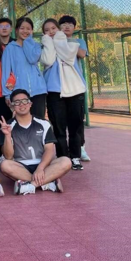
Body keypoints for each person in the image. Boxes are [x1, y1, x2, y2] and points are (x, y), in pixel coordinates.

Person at [0, 89, 71, 195]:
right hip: (21, 166)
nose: (21, 104)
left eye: (24, 101)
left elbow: (49, 150)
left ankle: (30, 185)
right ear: (12, 106)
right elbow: (8, 156)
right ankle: (48, 182)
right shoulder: (7, 126)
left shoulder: (44, 123)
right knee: (5, 165)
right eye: (17, 102)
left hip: (44, 165)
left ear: (30, 103)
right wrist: (7, 135)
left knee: (66, 161)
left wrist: (40, 168)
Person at [40, 19, 87, 171]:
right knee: (58, 127)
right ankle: (63, 157)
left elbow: (69, 55)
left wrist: (59, 40)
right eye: (47, 30)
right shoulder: (45, 46)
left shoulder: (72, 43)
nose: (51, 31)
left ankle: (75, 156)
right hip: (54, 91)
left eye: (53, 28)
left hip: (74, 89)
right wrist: (49, 42)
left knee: (75, 126)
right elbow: (48, 60)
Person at [59, 15, 91, 162]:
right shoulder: (55, 41)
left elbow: (82, 54)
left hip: (76, 86)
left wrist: (67, 43)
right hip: (60, 86)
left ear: (74, 28)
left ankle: (80, 148)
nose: (66, 27)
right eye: (64, 24)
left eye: (70, 25)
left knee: (77, 120)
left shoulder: (79, 41)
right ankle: (64, 153)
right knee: (61, 121)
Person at [1, 17, 47, 119]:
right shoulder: (10, 48)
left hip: (38, 90)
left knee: (39, 121)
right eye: (22, 28)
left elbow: (32, 59)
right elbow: (5, 72)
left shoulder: (36, 46)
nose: (25, 31)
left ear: (32, 31)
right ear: (16, 30)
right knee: (22, 121)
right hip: (19, 92)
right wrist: (7, 94)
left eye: (28, 29)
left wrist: (28, 42)